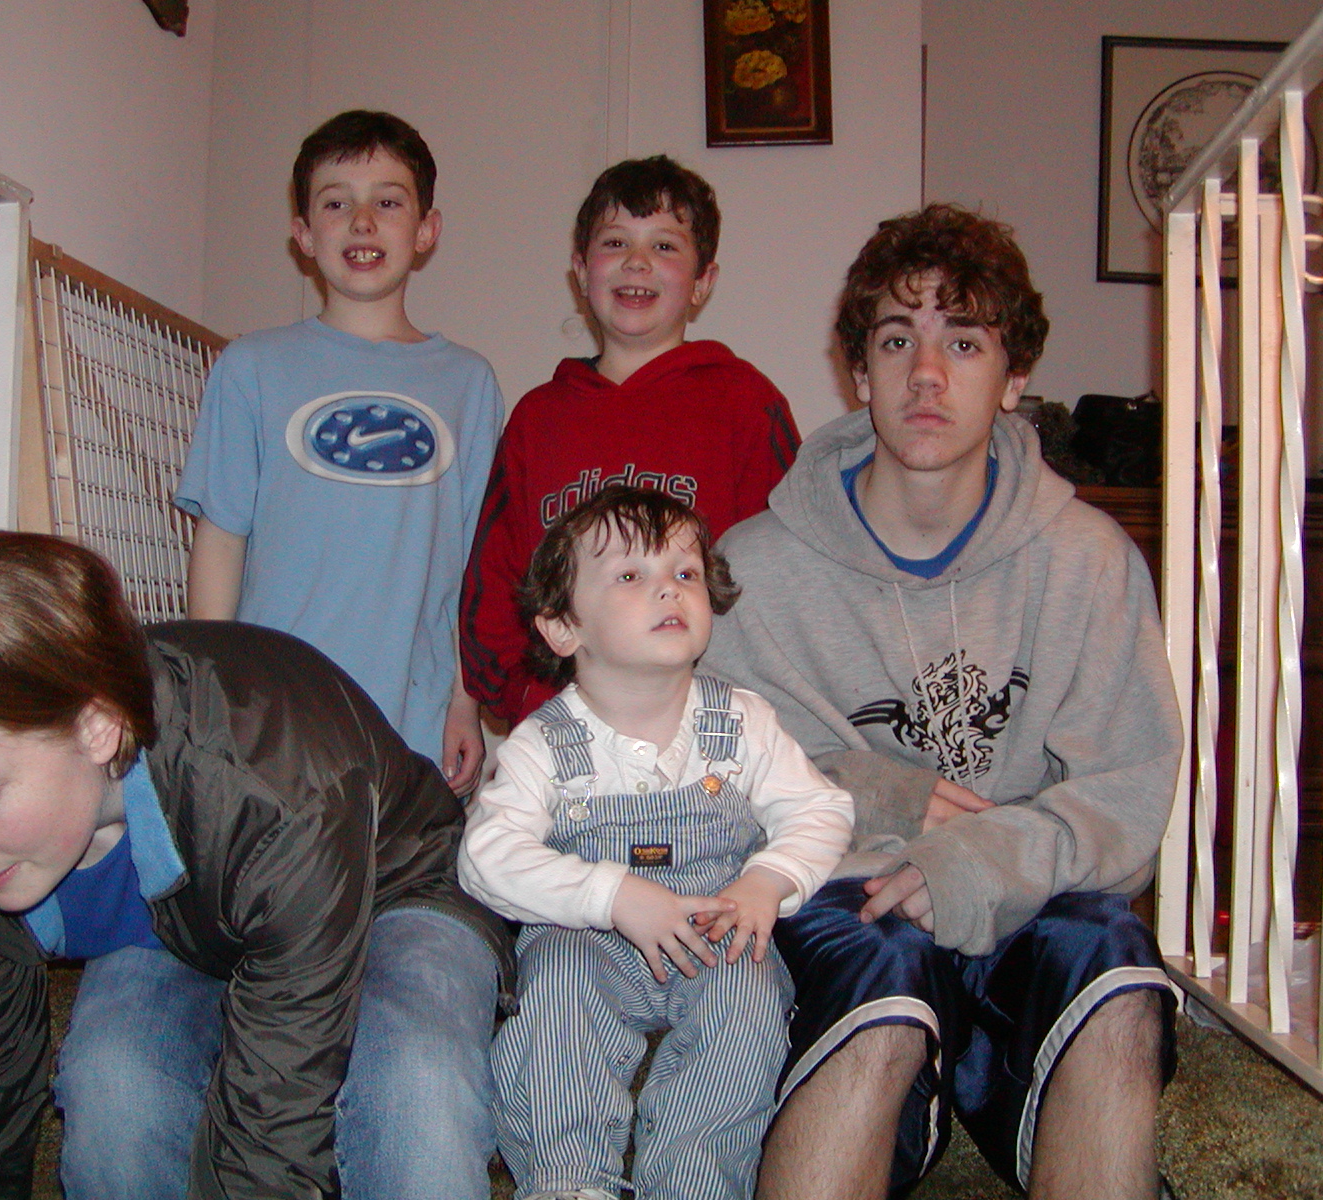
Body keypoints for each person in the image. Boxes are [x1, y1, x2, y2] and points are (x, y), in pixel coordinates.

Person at [703, 204, 1181, 1200]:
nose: (926, 374)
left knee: (1118, 974)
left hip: (1029, 899)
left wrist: (980, 860)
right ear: (858, 372)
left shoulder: (1087, 561)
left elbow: (1125, 796)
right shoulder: (756, 569)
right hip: (856, 907)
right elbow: (718, 774)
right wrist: (885, 797)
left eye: (963, 342)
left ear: (1014, 379)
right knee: (876, 986)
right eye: (895, 341)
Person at [0, 530, 512, 1200]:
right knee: (114, 1084)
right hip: (191, 924)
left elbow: (273, 1119)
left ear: (98, 727)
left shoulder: (274, 792)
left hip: (395, 885)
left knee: (417, 1083)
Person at [459, 486, 852, 1200]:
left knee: (749, 1001)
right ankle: (568, 1177)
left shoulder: (743, 722)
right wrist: (611, 895)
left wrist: (769, 879)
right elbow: (486, 857)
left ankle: (694, 1178)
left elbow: (820, 809)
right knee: (557, 991)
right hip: (588, 939)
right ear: (563, 628)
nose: (669, 588)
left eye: (685, 571)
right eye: (630, 575)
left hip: (714, 930)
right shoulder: (543, 745)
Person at [176, 109, 502, 792]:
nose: (361, 221)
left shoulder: (468, 383)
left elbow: (478, 563)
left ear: (426, 230)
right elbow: (221, 538)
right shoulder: (250, 366)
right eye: (335, 203)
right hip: (272, 709)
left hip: (412, 714)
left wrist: (465, 702)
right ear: (303, 234)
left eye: (388, 202)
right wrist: (212, 687)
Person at [460, 155, 800, 728]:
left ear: (703, 282)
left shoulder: (745, 404)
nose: (637, 262)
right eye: (615, 242)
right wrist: (521, 697)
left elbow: (785, 575)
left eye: (664, 246)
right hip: (562, 731)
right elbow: (496, 577)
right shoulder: (538, 419)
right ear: (580, 270)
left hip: (705, 733)